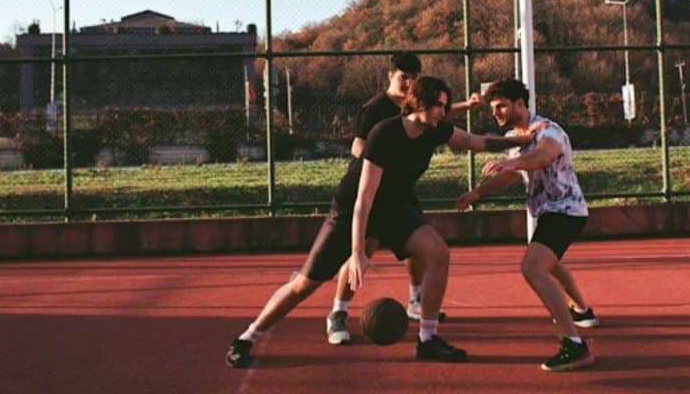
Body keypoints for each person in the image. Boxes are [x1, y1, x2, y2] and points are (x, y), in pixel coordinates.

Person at [226, 76, 538, 368]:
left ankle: (427, 339)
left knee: (438, 253)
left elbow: (478, 141)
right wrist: (358, 251)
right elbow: (364, 199)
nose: (444, 111)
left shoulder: (436, 129)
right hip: (352, 209)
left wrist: (522, 141)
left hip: (393, 208)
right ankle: (247, 337)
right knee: (304, 284)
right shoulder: (384, 134)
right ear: (418, 103)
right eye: (438, 105)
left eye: (445, 105)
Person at [325, 53, 482, 345]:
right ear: (390, 76)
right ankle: (338, 312)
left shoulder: (420, 108)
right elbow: (360, 146)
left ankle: (415, 299)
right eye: (403, 77)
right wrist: (383, 159)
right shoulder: (375, 109)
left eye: (413, 78)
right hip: (373, 189)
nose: (408, 82)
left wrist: (468, 106)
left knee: (420, 247)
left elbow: (439, 117)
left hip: (401, 191)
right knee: (365, 249)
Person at [455, 78, 599, 372]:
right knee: (551, 265)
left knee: (533, 267)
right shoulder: (515, 136)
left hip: (566, 210)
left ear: (519, 104)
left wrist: (514, 163)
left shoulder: (548, 130)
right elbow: (509, 175)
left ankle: (574, 343)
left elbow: (543, 156)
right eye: (493, 108)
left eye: (501, 107)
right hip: (548, 212)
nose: (496, 113)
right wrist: (478, 193)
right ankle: (583, 311)